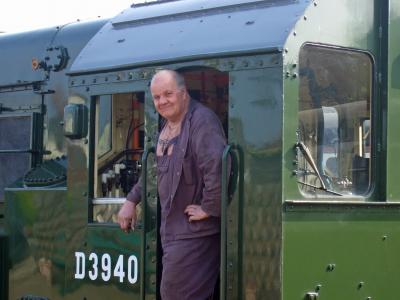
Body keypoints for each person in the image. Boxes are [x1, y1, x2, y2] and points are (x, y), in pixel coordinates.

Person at [118, 69, 226, 300]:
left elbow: (216, 167)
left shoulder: (201, 120)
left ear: (183, 93)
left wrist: (208, 207)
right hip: (172, 230)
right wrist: (131, 200)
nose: (162, 101)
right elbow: (153, 172)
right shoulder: (166, 127)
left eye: (168, 94)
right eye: (157, 97)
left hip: (194, 234)